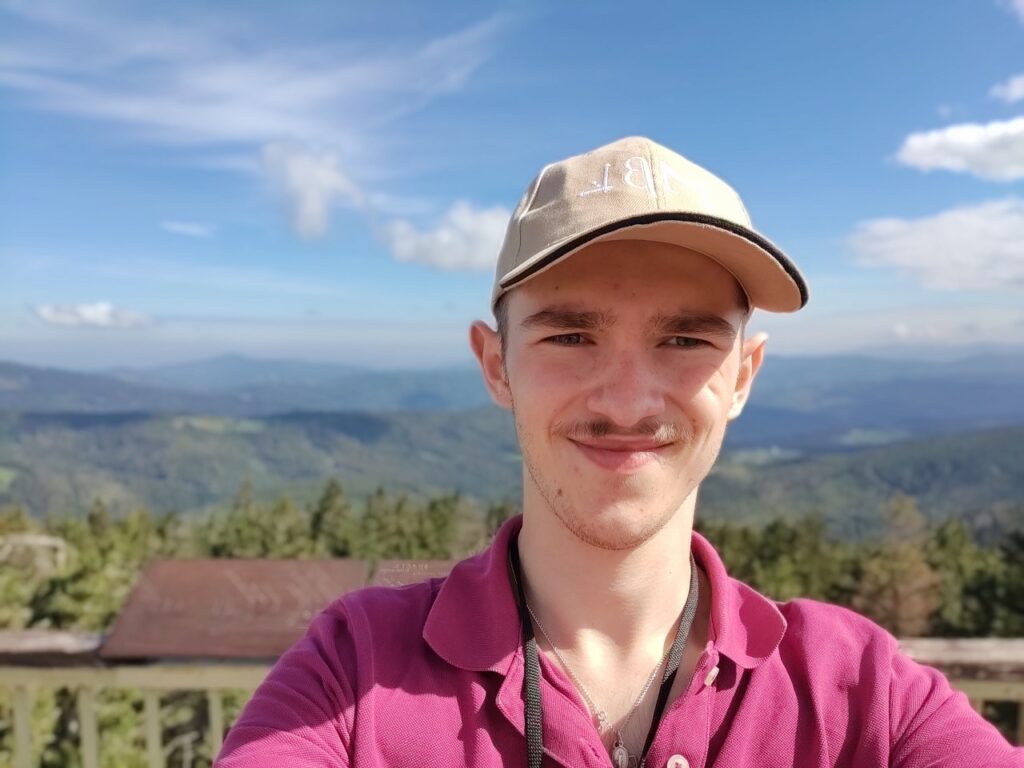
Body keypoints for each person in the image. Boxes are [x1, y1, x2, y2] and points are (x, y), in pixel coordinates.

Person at [215, 136, 1022, 767]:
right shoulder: (352, 672)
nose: (629, 402)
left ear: (743, 376)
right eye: (570, 336)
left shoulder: (862, 689)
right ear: (496, 366)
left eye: (685, 339)